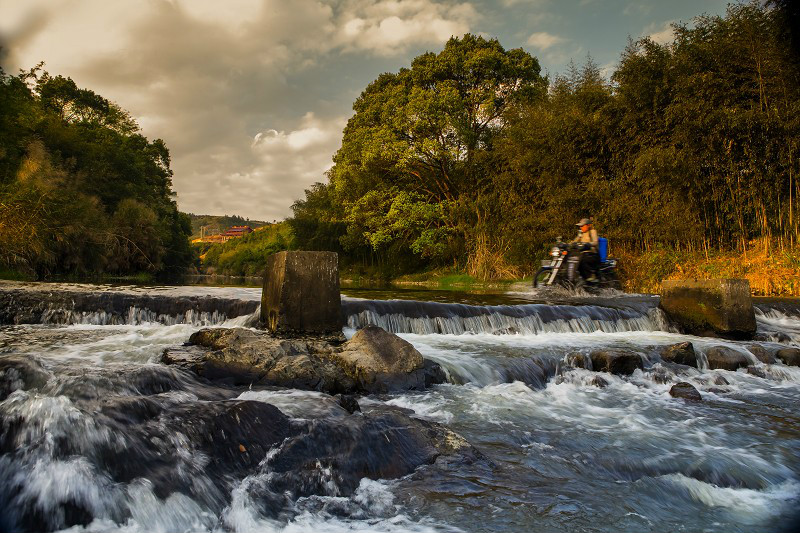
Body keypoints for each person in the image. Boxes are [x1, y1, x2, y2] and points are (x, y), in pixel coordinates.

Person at [571, 218, 599, 282]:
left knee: (583, 260)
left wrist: (587, 244)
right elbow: (574, 241)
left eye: (582, 226)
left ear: (588, 225)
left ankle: (591, 276)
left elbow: (595, 242)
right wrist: (568, 245)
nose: (581, 227)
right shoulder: (581, 233)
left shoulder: (592, 231)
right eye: (580, 226)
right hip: (583, 254)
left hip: (593, 254)